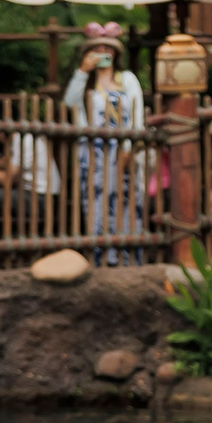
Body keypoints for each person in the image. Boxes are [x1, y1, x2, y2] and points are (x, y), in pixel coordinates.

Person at [66, 28, 147, 265]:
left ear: (115, 52)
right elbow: (69, 103)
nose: (103, 52)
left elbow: (137, 112)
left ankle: (128, 257)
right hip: (91, 152)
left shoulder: (128, 79)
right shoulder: (84, 81)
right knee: (95, 201)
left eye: (107, 48)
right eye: (97, 48)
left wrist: (129, 147)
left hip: (122, 149)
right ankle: (100, 257)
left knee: (125, 199)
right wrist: (82, 71)